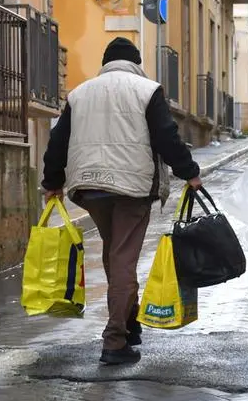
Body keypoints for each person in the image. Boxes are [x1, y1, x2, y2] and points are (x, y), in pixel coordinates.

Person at [42, 37, 202, 366]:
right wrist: (190, 172)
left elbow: (58, 139)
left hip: (89, 188)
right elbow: (166, 137)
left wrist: (52, 182)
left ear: (106, 62)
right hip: (131, 187)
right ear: (135, 62)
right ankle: (114, 341)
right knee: (124, 259)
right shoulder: (146, 89)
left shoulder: (79, 93)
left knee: (115, 252)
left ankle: (130, 322)